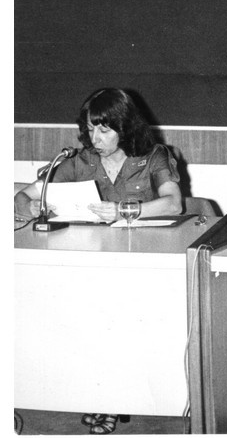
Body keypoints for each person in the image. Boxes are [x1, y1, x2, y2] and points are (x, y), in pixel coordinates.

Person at [13, 87, 182, 435]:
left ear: (125, 126)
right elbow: (25, 194)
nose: (96, 138)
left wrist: (123, 210)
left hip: (143, 264)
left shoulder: (153, 156)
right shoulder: (79, 160)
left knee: (114, 315)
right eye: (90, 129)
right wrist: (29, 205)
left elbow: (173, 204)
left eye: (104, 129)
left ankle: (111, 398)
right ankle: (96, 393)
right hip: (92, 263)